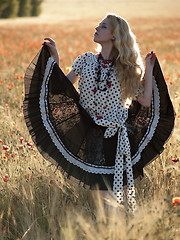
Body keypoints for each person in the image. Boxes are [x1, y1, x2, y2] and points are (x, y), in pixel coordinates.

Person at [23, 13, 175, 212]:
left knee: (107, 196)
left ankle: (116, 230)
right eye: (98, 25)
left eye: (103, 27)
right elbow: (61, 88)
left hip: (117, 137)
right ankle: (110, 230)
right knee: (100, 195)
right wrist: (55, 59)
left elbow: (145, 101)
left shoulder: (127, 68)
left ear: (114, 35)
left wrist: (147, 68)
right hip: (91, 133)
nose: (97, 28)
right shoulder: (85, 60)